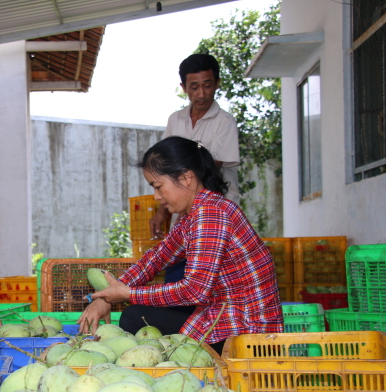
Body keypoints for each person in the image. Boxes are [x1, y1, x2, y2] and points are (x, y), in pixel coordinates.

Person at [78, 136, 282, 354]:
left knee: (135, 317)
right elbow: (156, 258)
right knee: (138, 314)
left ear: (186, 178)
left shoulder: (210, 215)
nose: (156, 197)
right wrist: (107, 295)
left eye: (158, 186)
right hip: (223, 318)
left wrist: (128, 294)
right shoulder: (195, 215)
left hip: (245, 335)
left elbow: (195, 291)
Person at [151, 53, 241, 289]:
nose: (201, 94)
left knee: (206, 285)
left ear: (217, 84)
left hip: (214, 217)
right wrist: (163, 212)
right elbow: (165, 171)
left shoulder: (224, 122)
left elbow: (211, 168)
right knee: (176, 278)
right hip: (182, 217)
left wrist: (184, 205)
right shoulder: (176, 120)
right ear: (183, 87)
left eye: (207, 85)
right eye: (194, 87)